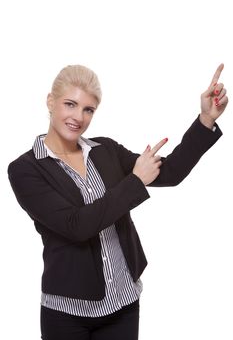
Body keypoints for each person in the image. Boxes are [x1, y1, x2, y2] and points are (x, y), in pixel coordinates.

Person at [8, 63, 228, 340]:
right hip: (67, 314)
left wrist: (205, 120)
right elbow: (76, 225)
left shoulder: (105, 150)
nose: (79, 117)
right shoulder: (26, 169)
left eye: (88, 109)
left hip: (123, 303)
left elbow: (171, 173)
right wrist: (134, 182)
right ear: (50, 102)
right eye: (70, 104)